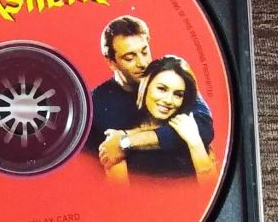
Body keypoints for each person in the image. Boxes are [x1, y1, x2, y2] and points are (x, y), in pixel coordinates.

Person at [85, 15, 214, 169]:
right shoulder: (95, 104)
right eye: (129, 58)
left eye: (145, 52)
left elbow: (203, 127)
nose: (142, 63)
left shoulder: (170, 76)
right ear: (111, 62)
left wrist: (127, 141)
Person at [103, 56, 216, 182]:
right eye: (161, 89)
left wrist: (195, 143)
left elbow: (211, 186)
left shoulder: (188, 127)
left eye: (178, 94)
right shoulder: (119, 136)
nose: (168, 100)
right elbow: (119, 192)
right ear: (145, 86)